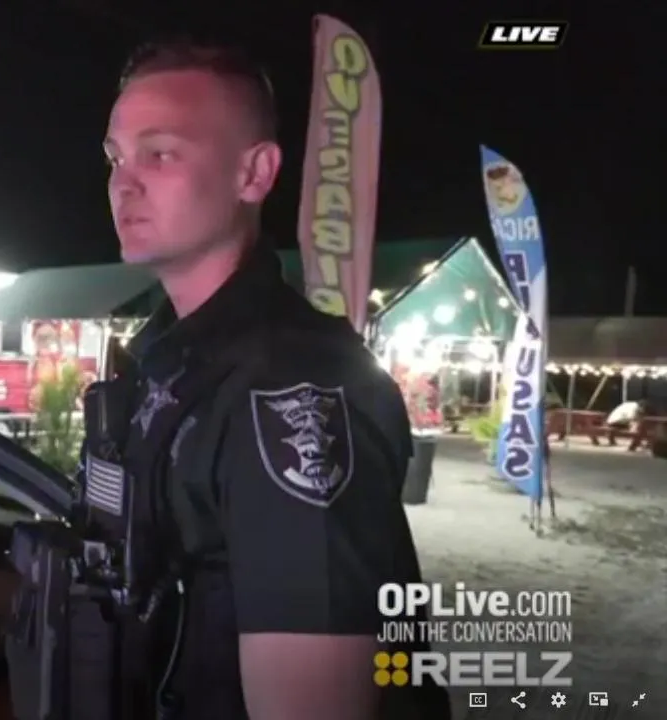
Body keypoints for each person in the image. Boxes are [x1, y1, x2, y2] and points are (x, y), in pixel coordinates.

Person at [99, 40, 450, 719]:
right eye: (115, 157)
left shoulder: (293, 390)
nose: (123, 183)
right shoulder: (172, 363)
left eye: (160, 153)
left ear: (254, 173)